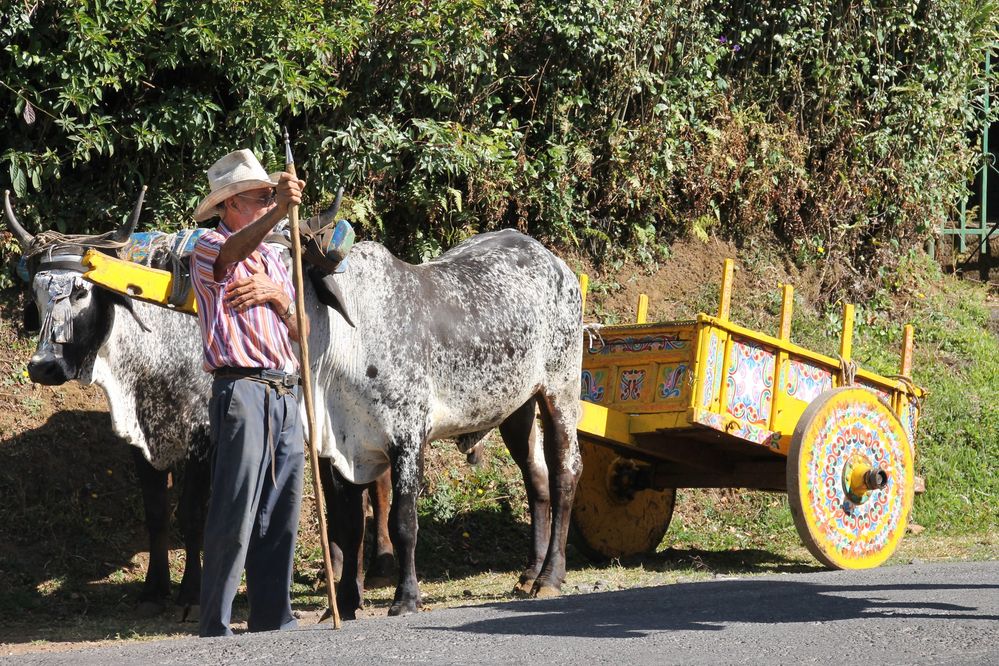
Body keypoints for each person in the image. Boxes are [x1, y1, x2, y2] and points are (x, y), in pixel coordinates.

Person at [189, 148, 308, 637]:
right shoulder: (207, 245)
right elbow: (229, 257)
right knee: (235, 507)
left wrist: (279, 298)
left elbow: (302, 330)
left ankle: (271, 618)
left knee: (282, 509)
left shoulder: (278, 260)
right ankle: (214, 621)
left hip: (285, 390)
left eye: (270, 197)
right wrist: (282, 210)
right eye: (261, 198)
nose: (268, 203)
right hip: (241, 389)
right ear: (231, 204)